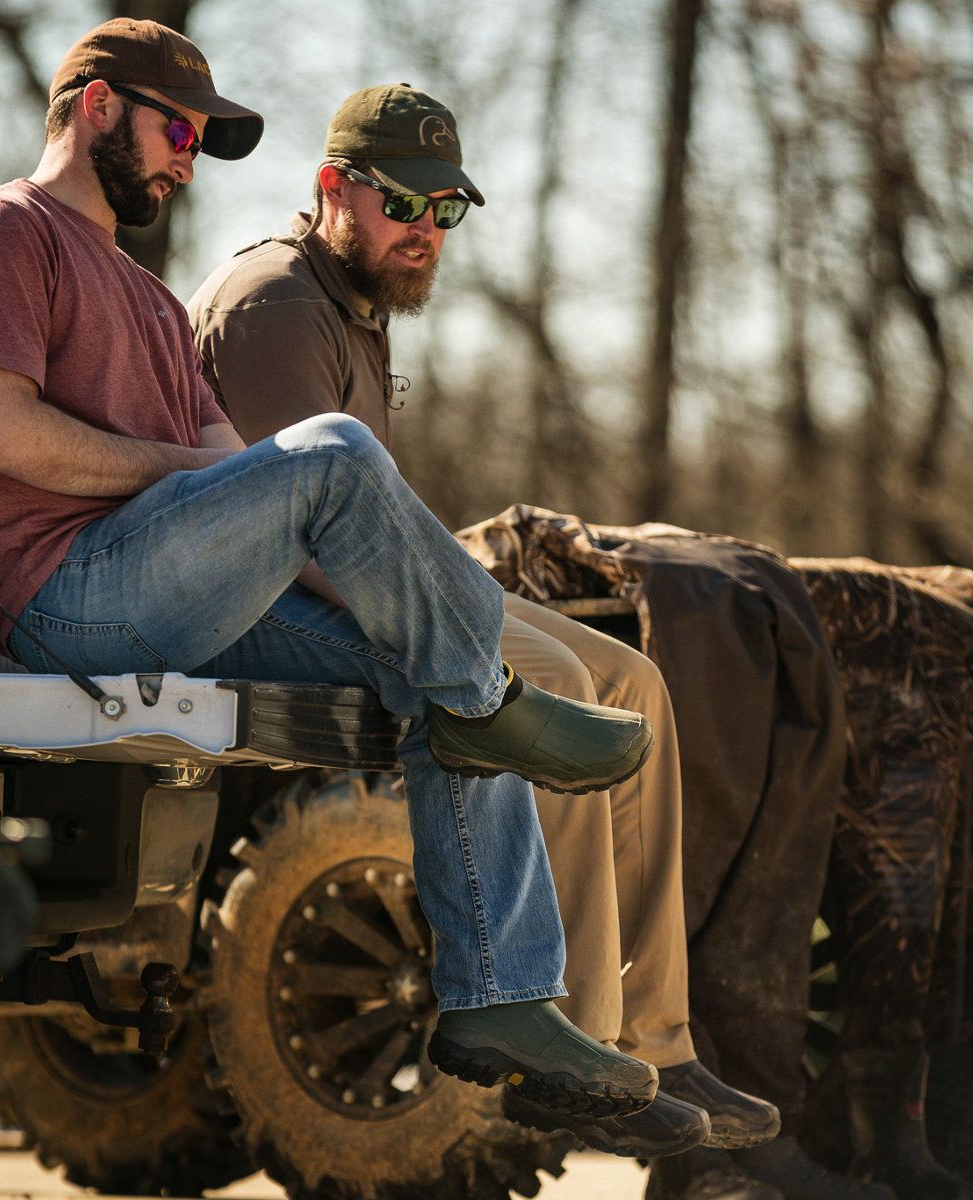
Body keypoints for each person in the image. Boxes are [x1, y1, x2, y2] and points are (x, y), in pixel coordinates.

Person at [0, 17, 672, 1132]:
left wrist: (387, 603)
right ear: (97, 106)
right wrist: (189, 473)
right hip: (65, 599)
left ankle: (499, 998)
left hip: (177, 602)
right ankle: (491, 706)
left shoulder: (154, 303)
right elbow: (2, 434)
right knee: (338, 454)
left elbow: (240, 477)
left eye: (202, 140)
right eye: (182, 128)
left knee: (434, 674)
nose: (189, 156)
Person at [187, 83, 790, 1167]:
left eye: (445, 211)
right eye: (403, 205)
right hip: (270, 605)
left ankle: (647, 1040)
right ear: (334, 189)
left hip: (368, 579)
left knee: (633, 680)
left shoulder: (349, 301)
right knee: (549, 680)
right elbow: (299, 545)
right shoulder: (276, 305)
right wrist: (451, 614)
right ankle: (568, 1044)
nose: (425, 233)